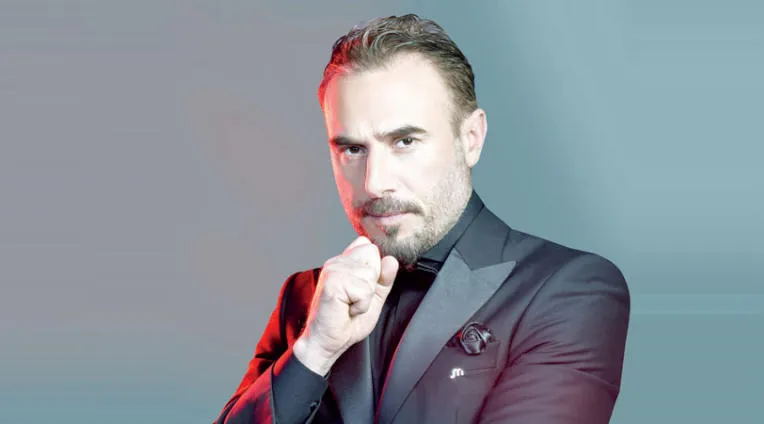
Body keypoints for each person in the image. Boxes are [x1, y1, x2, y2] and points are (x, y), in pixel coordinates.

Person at [213, 14, 630, 424]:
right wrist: (314, 351)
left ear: (471, 139)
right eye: (352, 150)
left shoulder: (569, 289)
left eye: (405, 141)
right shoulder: (304, 299)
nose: (374, 183)